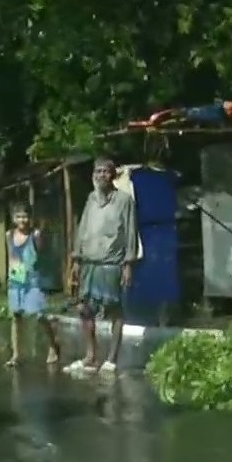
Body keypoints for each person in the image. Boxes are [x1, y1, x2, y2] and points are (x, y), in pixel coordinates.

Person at [65, 157, 139, 375]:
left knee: (114, 310)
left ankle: (112, 358)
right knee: (83, 309)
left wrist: (129, 264)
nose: (101, 176)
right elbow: (83, 229)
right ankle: (91, 355)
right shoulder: (91, 199)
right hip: (89, 263)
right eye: (98, 172)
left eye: (106, 172)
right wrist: (76, 261)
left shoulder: (124, 200)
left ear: (113, 175)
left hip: (112, 264)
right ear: (93, 176)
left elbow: (131, 233)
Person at [4, 203, 61, 367]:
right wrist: (10, 276)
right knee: (16, 316)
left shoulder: (35, 235)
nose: (22, 220)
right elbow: (11, 255)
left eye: (25, 216)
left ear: (31, 218)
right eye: (19, 216)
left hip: (34, 279)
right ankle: (16, 354)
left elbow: (42, 251)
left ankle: (53, 345)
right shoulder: (9, 235)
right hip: (16, 279)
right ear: (14, 218)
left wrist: (41, 233)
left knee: (39, 315)